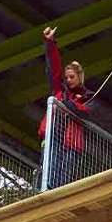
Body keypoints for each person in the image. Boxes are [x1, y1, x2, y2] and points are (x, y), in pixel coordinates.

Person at [38, 26, 93, 190]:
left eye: (72, 77)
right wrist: (50, 43)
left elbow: (86, 112)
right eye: (67, 77)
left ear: (79, 77)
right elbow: (53, 69)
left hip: (70, 143)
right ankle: (46, 190)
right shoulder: (59, 91)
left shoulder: (86, 97)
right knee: (50, 168)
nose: (68, 80)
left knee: (64, 176)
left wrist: (69, 104)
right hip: (54, 135)